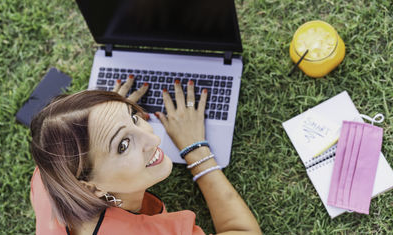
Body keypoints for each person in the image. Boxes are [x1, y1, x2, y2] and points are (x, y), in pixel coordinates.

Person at [30, 76, 262, 235]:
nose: (154, 139)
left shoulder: (46, 177)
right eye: (123, 146)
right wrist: (195, 149)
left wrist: (108, 117)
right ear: (91, 188)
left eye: (133, 116)